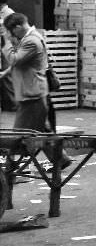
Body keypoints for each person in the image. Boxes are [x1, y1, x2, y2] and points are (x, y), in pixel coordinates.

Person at [0, 12, 70, 167]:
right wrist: (5, 73)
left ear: (18, 27)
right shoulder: (28, 38)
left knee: (18, 136)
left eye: (11, 31)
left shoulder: (32, 41)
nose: (10, 35)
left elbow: (14, 59)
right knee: (42, 132)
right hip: (34, 94)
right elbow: (23, 64)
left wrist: (6, 42)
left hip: (32, 96)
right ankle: (61, 160)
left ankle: (10, 168)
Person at [0, 0, 16, 111]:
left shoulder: (8, 14)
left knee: (7, 75)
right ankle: (9, 103)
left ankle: (14, 103)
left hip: (7, 47)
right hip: (3, 47)